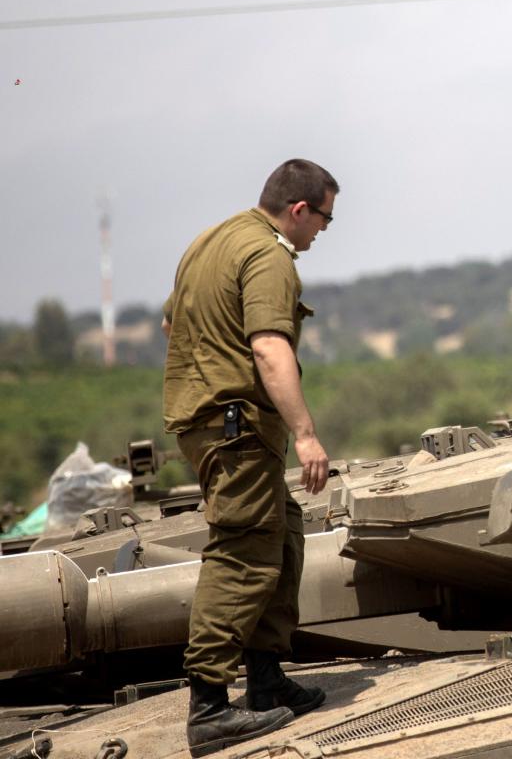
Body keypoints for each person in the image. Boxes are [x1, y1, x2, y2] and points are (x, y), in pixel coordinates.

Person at [162, 159, 337, 756]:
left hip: (214, 423)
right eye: (323, 220)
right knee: (243, 553)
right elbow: (268, 346)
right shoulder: (268, 256)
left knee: (281, 533)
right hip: (233, 427)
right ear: (299, 210)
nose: (319, 234)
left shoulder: (210, 241)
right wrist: (306, 434)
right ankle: (209, 705)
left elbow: (170, 323)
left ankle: (265, 680)